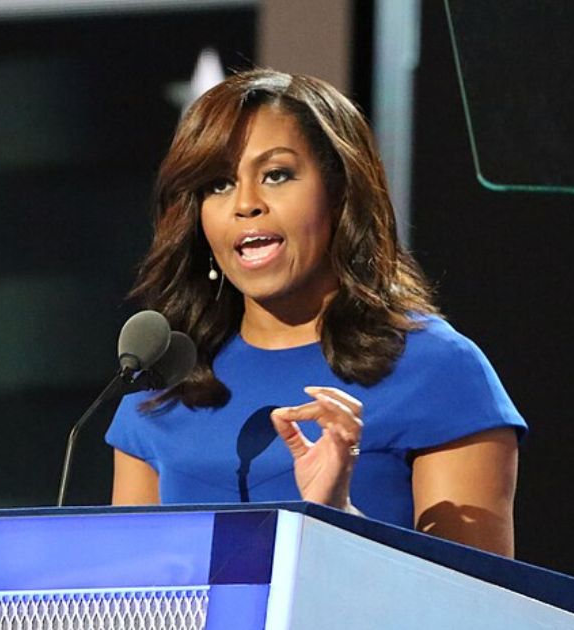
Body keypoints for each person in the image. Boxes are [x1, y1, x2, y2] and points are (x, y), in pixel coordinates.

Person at [106, 69, 525, 557]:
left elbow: (474, 596)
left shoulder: (437, 371)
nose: (246, 204)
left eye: (276, 175)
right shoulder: (162, 385)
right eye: (218, 184)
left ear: (340, 191)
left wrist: (339, 517)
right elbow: (130, 585)